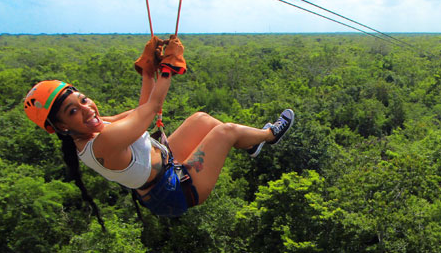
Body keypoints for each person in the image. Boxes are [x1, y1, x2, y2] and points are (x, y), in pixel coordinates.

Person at [24, 35, 294, 219]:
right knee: (227, 131)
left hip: (165, 166)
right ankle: (270, 135)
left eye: (82, 100)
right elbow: (151, 108)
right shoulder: (101, 143)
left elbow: (140, 111)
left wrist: (147, 71)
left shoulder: (93, 129)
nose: (86, 109)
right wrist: (169, 67)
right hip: (175, 192)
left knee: (201, 119)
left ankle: (253, 143)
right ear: (61, 126)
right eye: (73, 111)